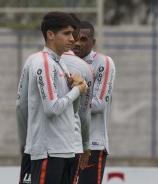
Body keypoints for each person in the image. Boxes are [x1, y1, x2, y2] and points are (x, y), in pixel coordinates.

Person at [16, 12, 87, 184]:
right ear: (50, 34)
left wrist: (76, 88)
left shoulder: (60, 62)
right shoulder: (44, 62)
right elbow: (52, 108)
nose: (72, 39)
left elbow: (71, 109)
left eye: (72, 33)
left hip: (66, 149)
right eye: (66, 33)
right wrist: (77, 91)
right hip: (49, 151)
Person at [72, 21, 116, 184]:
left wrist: (67, 101)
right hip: (66, 144)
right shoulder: (63, 62)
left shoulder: (103, 62)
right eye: (75, 38)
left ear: (93, 42)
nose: (78, 43)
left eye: (84, 39)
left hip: (93, 144)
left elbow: (99, 104)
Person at [61, 14, 94, 184]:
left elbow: (22, 106)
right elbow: (83, 113)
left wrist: (25, 141)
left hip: (38, 147)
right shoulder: (84, 68)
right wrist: (86, 145)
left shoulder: (34, 60)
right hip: (70, 146)